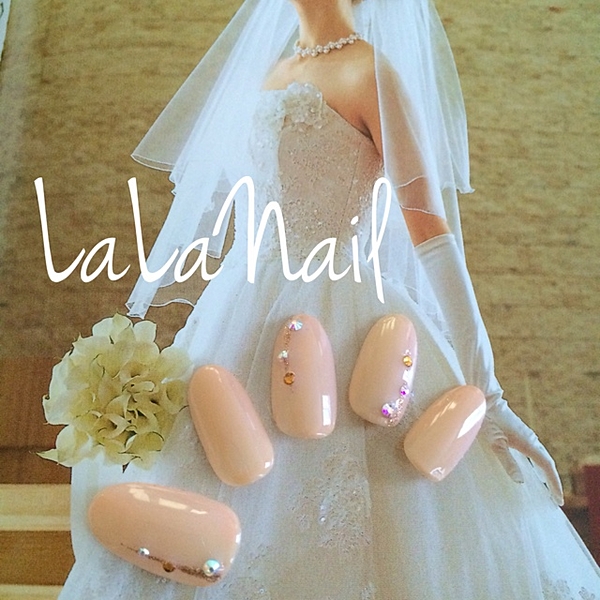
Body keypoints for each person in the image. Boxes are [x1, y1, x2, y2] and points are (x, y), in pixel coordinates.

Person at [59, 0, 600, 598]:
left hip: (342, 316)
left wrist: (487, 389)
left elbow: (432, 234)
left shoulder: (371, 73)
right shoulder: (271, 74)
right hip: (241, 309)